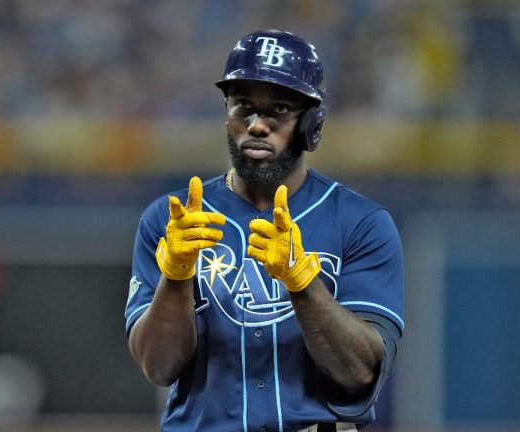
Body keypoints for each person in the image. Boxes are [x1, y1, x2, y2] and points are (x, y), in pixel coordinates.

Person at [126, 29, 404, 432]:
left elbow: (359, 373)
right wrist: (175, 276)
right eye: (243, 106)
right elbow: (158, 367)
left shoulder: (361, 223)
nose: (257, 125)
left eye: (278, 109)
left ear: (311, 122)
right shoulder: (173, 221)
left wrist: (302, 282)